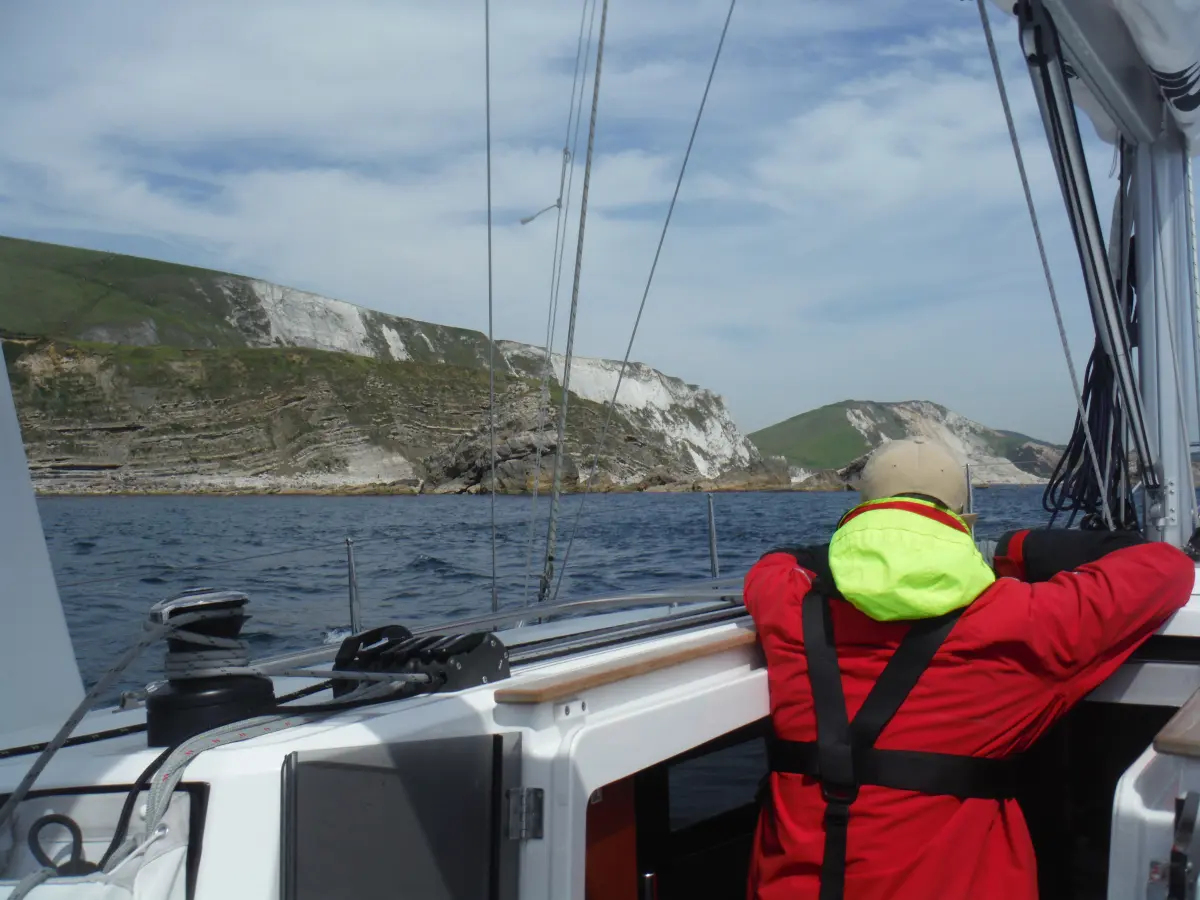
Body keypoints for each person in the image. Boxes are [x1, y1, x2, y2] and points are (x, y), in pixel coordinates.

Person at [743, 437, 1196, 900]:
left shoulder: (788, 606)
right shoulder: (1023, 621)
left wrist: (855, 560)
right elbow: (1167, 568)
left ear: (862, 513)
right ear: (959, 523)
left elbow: (777, 562)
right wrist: (1019, 546)